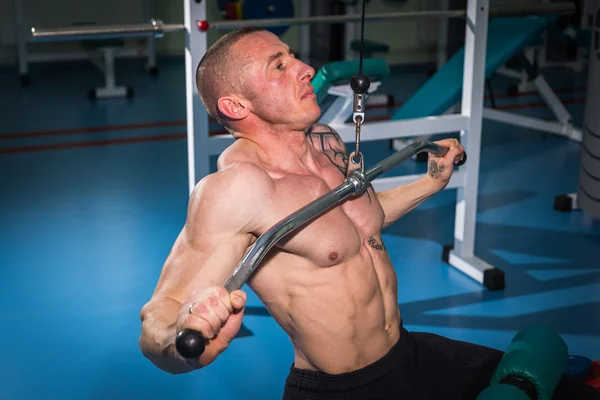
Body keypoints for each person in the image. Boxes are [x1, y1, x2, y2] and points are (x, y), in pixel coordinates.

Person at [138, 27, 599, 399]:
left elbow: (361, 223)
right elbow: (159, 316)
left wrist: (429, 182)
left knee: (563, 389)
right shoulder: (240, 189)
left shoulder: (325, 143)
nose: (305, 68)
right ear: (235, 106)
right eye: (278, 65)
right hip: (341, 388)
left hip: (407, 351)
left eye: (292, 55)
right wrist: (186, 342)